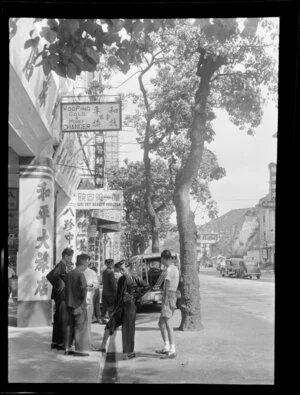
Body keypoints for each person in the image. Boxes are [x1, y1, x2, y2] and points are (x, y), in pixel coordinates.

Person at [96, 261, 148, 360]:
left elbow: (145, 287)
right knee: (114, 325)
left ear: (128, 268)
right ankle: (105, 347)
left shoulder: (130, 278)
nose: (122, 271)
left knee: (126, 329)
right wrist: (135, 297)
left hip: (127, 307)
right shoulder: (130, 278)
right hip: (125, 307)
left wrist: (134, 296)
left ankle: (127, 353)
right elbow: (144, 288)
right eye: (121, 269)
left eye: (123, 269)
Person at [46, 248, 74, 350]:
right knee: (61, 320)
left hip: (63, 297)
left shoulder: (65, 266)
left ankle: (56, 343)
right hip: (61, 297)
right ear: (66, 256)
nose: (71, 258)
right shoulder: (60, 265)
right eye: (70, 256)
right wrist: (59, 282)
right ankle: (61, 343)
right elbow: (49, 276)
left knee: (59, 319)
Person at [64, 254, 90, 356]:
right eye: (87, 263)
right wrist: (81, 305)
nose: (88, 265)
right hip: (78, 306)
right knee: (80, 328)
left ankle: (68, 347)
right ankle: (79, 350)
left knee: (70, 327)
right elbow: (84, 290)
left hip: (69, 305)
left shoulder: (69, 274)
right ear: (83, 263)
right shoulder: (80, 275)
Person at [155, 249, 179, 359]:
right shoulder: (174, 269)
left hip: (168, 296)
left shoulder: (169, 270)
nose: (162, 262)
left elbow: (166, 286)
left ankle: (172, 349)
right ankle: (166, 346)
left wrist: (163, 301)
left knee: (168, 324)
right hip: (172, 296)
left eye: (162, 260)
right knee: (161, 323)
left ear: (164, 259)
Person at [82, 255, 100, 349]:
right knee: (79, 323)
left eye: (88, 261)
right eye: (86, 260)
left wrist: (91, 285)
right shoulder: (77, 271)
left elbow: (97, 284)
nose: (87, 262)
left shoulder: (92, 272)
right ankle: (80, 343)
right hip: (79, 302)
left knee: (88, 323)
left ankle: (88, 343)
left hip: (89, 300)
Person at [100, 258, 117, 324]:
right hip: (110, 292)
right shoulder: (110, 272)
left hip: (105, 292)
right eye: (112, 263)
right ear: (110, 264)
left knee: (105, 306)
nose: (113, 264)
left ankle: (104, 318)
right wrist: (115, 292)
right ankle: (109, 319)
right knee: (111, 306)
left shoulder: (104, 272)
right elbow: (113, 284)